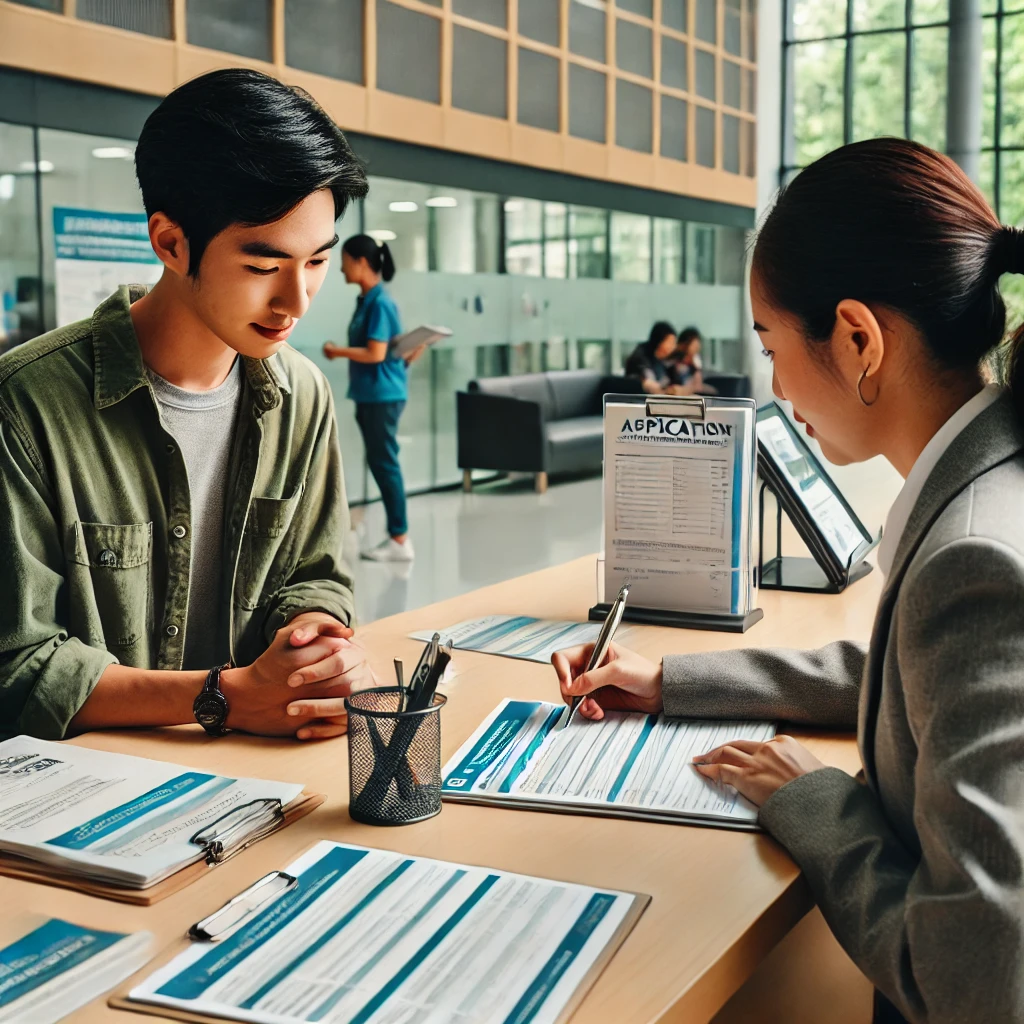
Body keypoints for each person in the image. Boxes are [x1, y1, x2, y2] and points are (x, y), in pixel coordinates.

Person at [553, 138, 1024, 1024]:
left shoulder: (975, 555)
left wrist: (817, 803)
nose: (773, 382)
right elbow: (915, 677)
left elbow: (972, 982)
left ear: (856, 338)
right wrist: (675, 681)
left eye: (772, 342)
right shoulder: (995, 480)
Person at [0, 69, 373, 742]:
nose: (296, 301)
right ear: (172, 243)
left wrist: (309, 633)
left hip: (256, 776)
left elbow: (316, 574)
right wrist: (221, 698)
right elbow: (18, 668)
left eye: (317, 261)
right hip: (80, 804)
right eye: (264, 268)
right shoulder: (25, 404)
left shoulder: (302, 394)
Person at [323, 236, 420, 563]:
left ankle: (399, 539)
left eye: (345, 260)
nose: (340, 267)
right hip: (373, 394)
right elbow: (392, 351)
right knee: (382, 462)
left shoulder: (380, 303)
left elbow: (376, 353)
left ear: (361, 263)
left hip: (382, 395)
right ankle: (398, 536)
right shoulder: (368, 301)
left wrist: (336, 352)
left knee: (385, 463)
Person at [625, 322, 695, 395]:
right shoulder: (640, 359)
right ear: (660, 341)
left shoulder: (665, 362)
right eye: (670, 343)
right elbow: (647, 384)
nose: (672, 347)